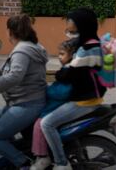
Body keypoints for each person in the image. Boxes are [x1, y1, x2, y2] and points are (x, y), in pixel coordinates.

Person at [0, 14, 48, 169]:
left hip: (26, 104)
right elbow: (18, 72)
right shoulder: (31, 46)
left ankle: (23, 163)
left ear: (11, 32)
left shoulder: (22, 50)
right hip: (25, 101)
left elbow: (15, 76)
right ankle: (15, 151)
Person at [40, 8, 107, 170]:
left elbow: (67, 74)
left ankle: (61, 163)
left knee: (46, 124)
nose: (69, 30)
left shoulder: (88, 49)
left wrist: (61, 72)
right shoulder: (90, 44)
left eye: (72, 26)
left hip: (85, 101)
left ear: (82, 26)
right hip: (85, 97)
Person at [30, 39, 78, 170]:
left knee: (40, 124)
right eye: (59, 53)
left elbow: (62, 92)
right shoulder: (67, 69)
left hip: (58, 104)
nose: (59, 56)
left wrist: (47, 92)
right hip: (58, 102)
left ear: (72, 55)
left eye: (62, 54)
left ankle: (43, 156)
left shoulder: (70, 71)